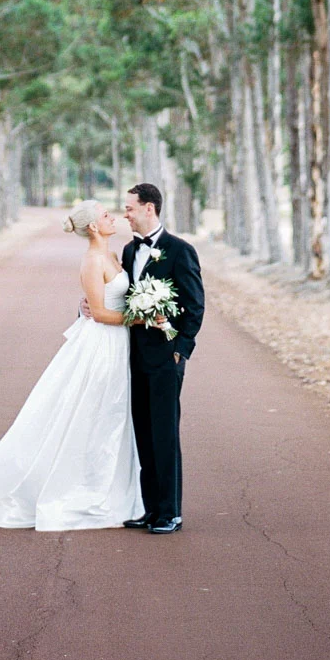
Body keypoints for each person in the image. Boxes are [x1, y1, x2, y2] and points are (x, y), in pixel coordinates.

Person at [0, 199, 144, 531]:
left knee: (111, 413)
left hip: (118, 343)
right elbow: (100, 313)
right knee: (95, 411)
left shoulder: (113, 255)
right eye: (106, 215)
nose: (113, 217)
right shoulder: (93, 260)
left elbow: (111, 299)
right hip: (102, 344)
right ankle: (78, 486)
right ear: (94, 226)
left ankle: (112, 484)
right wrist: (141, 319)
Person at [120, 182, 204, 535]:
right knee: (142, 431)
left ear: (149, 208)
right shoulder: (129, 251)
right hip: (133, 357)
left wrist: (180, 349)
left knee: (164, 433)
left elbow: (195, 305)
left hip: (166, 358)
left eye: (129, 208)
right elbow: (121, 298)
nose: (126, 214)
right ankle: (150, 508)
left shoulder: (180, 250)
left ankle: (170, 512)